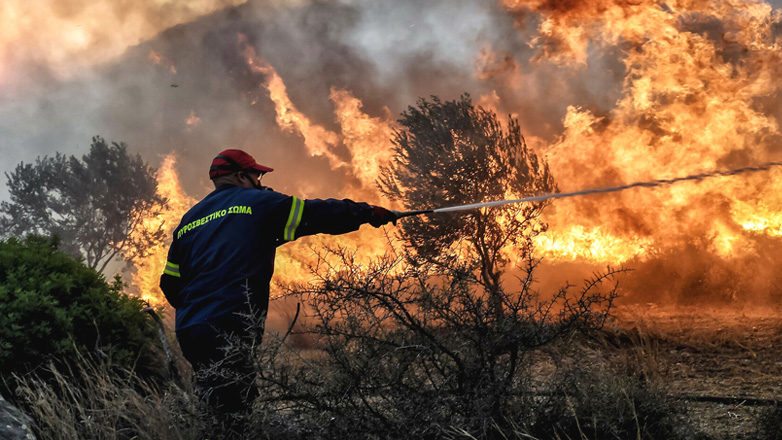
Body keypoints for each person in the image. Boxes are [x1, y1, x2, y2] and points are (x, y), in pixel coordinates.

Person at [159, 149, 397, 436]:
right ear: (240, 176)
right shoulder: (257, 203)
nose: (259, 181)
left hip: (191, 328)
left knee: (215, 402)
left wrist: (197, 306)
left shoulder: (189, 221)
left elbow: (169, 283)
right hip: (229, 322)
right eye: (257, 174)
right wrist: (367, 213)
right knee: (235, 408)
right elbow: (315, 214)